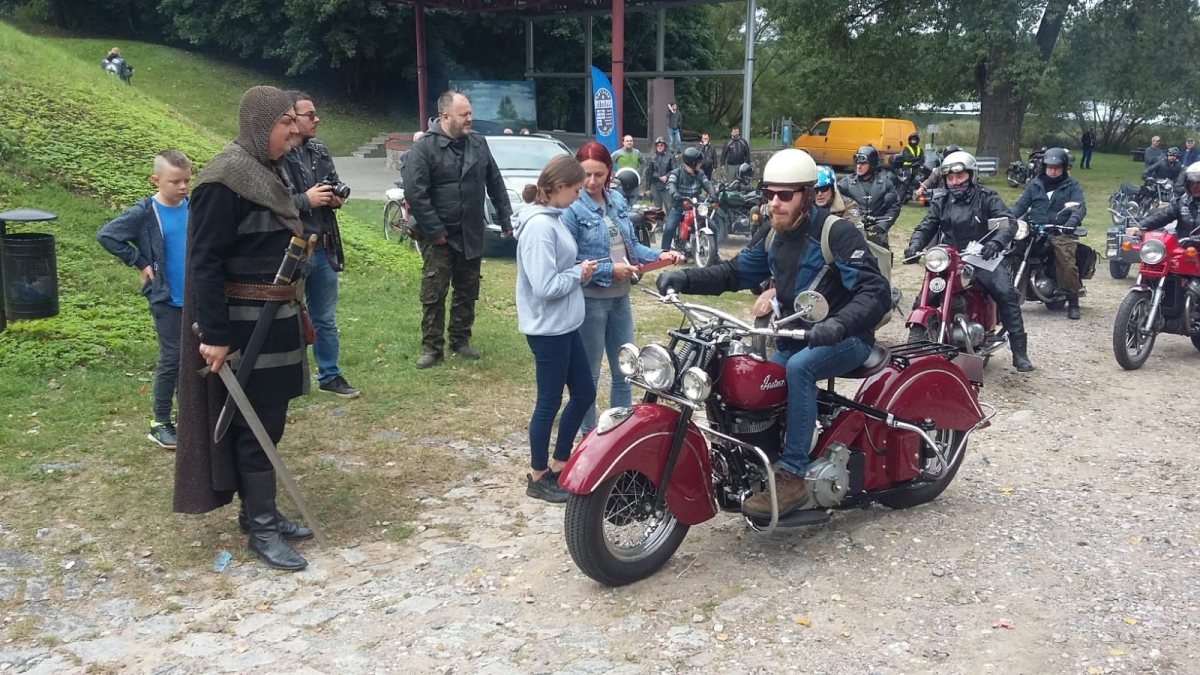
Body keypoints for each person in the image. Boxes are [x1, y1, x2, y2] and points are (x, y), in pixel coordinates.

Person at [654, 149, 890, 518]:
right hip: (794, 336)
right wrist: (685, 278)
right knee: (757, 380)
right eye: (769, 194)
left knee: (799, 370)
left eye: (784, 195)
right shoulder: (773, 235)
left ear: (807, 196)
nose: (774, 203)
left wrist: (839, 324)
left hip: (846, 337)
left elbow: (875, 292)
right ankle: (760, 458)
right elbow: (735, 273)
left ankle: (793, 476)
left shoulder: (836, 233)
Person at [175, 85, 313, 571]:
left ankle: (258, 511)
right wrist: (214, 335)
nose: (293, 133)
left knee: (269, 421)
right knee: (255, 427)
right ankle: (262, 529)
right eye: (285, 124)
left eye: (293, 123)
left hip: (276, 320)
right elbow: (205, 262)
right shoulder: (223, 180)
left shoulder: (268, 170)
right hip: (244, 325)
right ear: (259, 124)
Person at [561, 142, 684, 436]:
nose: (592, 181)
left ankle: (619, 433)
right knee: (589, 375)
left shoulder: (616, 200)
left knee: (626, 370)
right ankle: (588, 435)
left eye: (599, 174)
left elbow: (632, 248)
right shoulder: (572, 208)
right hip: (590, 300)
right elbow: (568, 263)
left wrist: (661, 255)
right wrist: (608, 270)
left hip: (620, 298)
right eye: (586, 174)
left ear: (610, 173)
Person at [403, 91, 513, 369]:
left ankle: (460, 339)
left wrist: (506, 219)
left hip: (471, 231)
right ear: (445, 116)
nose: (469, 119)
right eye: (464, 114)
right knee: (434, 292)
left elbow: (495, 182)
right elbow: (416, 193)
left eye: (470, 113)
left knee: (468, 288)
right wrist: (435, 230)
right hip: (438, 235)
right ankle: (431, 347)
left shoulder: (478, 143)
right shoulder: (424, 147)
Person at [513, 155, 598, 503]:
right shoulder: (539, 228)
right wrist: (578, 274)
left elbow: (557, 269)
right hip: (547, 329)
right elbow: (545, 286)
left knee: (584, 393)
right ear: (559, 187)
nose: (579, 196)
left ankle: (560, 464)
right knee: (548, 401)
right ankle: (538, 477)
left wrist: (578, 269)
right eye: (576, 190)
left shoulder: (553, 218)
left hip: (565, 324)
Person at [97, 149, 193, 450]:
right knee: (172, 357)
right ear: (156, 180)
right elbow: (107, 236)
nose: (182, 187)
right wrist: (139, 261)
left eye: (186, 180)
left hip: (194, 297)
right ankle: (160, 422)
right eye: (175, 181)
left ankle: (188, 417)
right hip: (165, 298)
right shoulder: (145, 212)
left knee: (192, 358)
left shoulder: (193, 207)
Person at [904, 151, 1034, 372]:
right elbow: (927, 225)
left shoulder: (987, 197)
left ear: (971, 175)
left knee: (1006, 294)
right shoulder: (941, 201)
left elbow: (1008, 222)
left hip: (982, 257)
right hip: (950, 259)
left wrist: (996, 243)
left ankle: (1019, 352)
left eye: (960, 176)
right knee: (925, 297)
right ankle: (920, 343)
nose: (955, 182)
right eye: (950, 178)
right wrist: (914, 245)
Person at [282, 91, 359, 398]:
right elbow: (273, 202)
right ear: (291, 118)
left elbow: (333, 185)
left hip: (323, 244)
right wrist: (306, 199)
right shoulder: (277, 154)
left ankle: (330, 375)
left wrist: (335, 199)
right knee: (288, 318)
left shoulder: (319, 150)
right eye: (310, 115)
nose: (317, 119)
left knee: (324, 317)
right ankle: (289, 380)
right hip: (292, 248)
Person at [1008, 147, 1088, 320]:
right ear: (1044, 167)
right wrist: (1007, 217)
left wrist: (1071, 222)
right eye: (1050, 167)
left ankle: (1073, 301)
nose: (1053, 171)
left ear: (1064, 168)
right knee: (1012, 249)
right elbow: (1021, 205)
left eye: (1057, 167)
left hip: (1060, 230)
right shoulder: (1035, 184)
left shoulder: (1071, 185)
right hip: (1036, 229)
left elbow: (1080, 207)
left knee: (1066, 261)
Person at [837, 145, 901, 248]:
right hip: (852, 232)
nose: (859, 166)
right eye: (857, 163)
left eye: (863, 163)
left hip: (877, 233)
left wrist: (882, 226)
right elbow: (835, 203)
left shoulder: (885, 183)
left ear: (872, 164)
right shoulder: (845, 183)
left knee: (881, 255)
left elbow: (894, 207)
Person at [663, 146, 715, 253]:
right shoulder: (676, 173)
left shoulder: (700, 173)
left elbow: (707, 184)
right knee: (669, 228)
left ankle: (715, 254)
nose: (700, 164)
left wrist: (713, 195)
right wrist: (678, 197)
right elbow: (670, 185)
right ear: (692, 163)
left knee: (713, 227)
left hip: (695, 206)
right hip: (679, 206)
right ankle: (663, 253)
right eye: (698, 163)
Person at [1133, 162, 1200, 238]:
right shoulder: (1182, 203)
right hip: (1182, 244)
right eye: (1192, 183)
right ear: (1187, 184)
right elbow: (1162, 217)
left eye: (1199, 183)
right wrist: (1139, 226)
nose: (1195, 186)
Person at [645, 136, 675, 209]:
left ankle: (668, 217)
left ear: (665, 146)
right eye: (658, 146)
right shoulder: (653, 157)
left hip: (667, 186)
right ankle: (659, 217)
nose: (659, 147)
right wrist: (647, 189)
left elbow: (675, 170)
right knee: (657, 208)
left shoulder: (670, 156)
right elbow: (649, 173)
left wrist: (667, 176)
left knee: (669, 207)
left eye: (661, 145)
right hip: (655, 185)